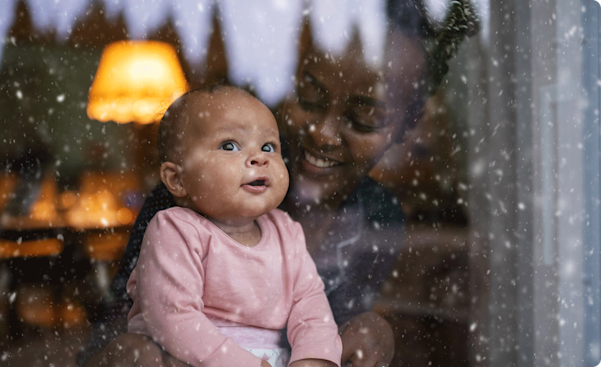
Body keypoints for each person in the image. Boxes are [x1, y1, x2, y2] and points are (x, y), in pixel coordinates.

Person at [79, 1, 477, 366]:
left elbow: (317, 320)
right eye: (309, 97)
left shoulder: (374, 216)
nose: (322, 132)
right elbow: (123, 332)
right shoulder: (189, 201)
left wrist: (364, 335)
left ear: (405, 127)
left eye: (365, 119)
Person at [126, 85, 341, 367]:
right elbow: (173, 317)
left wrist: (313, 358)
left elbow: (311, 306)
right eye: (230, 146)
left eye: (268, 147)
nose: (259, 158)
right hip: (190, 358)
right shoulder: (175, 229)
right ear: (178, 180)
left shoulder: (286, 231)